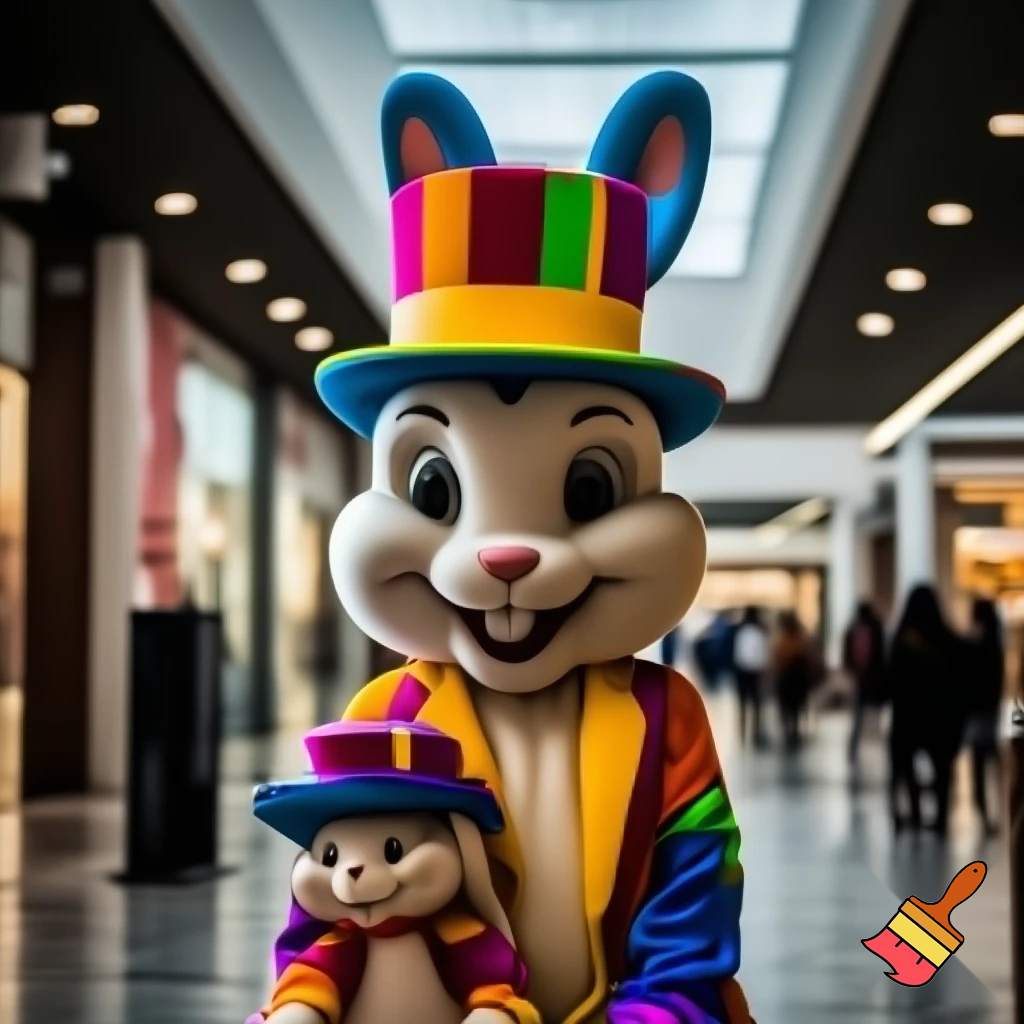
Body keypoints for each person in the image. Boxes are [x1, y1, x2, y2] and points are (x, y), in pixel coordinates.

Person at [887, 585, 968, 834]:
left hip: (907, 716)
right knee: (942, 769)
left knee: (904, 766)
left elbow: (891, 680)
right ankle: (940, 818)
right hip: (940, 716)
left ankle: (913, 813)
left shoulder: (902, 641)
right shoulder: (948, 639)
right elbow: (961, 680)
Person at [966, 597, 1004, 835]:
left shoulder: (977, 645)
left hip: (979, 713)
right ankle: (993, 812)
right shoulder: (995, 645)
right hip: (990, 712)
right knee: (992, 765)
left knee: (979, 767)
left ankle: (985, 813)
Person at [844, 601, 888, 766]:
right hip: (866, 678)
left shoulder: (863, 630)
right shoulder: (871, 629)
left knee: (860, 716)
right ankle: (854, 747)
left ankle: (855, 747)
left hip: (867, 678)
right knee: (861, 715)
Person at [773, 611, 812, 750]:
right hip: (797, 680)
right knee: (795, 709)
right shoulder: (800, 640)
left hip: (786, 680)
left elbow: (776, 662)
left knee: (787, 709)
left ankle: (790, 733)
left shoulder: (782, 640)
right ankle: (793, 733)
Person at [733, 606, 768, 746]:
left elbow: (738, 653)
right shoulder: (759, 632)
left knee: (742, 705)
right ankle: (755, 734)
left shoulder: (741, 632)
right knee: (756, 705)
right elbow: (762, 655)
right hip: (755, 672)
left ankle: (742, 735)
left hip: (742, 671)